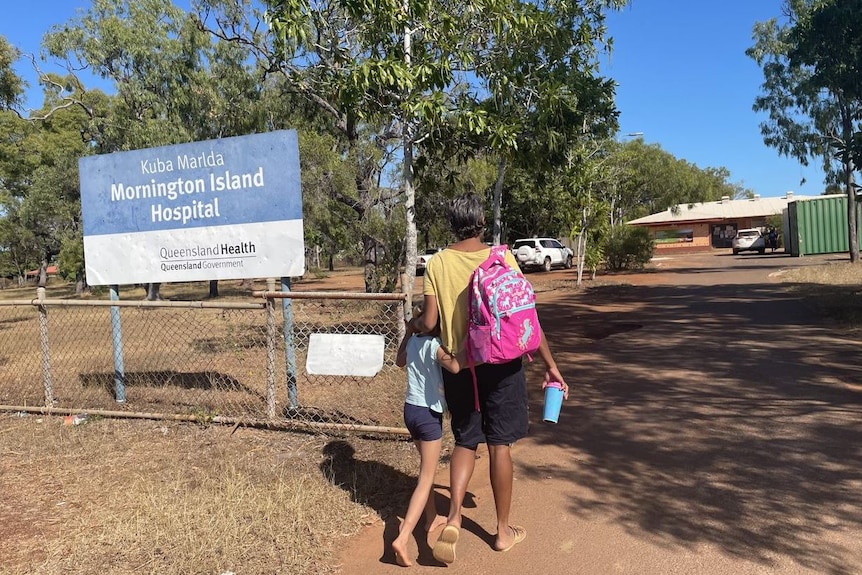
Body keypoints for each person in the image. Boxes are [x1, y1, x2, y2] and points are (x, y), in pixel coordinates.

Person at [410, 192, 568, 564]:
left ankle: (453, 516)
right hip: (503, 364)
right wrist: (550, 365)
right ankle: (502, 531)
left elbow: (430, 323)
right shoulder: (503, 257)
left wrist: (414, 325)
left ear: (451, 224)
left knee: (466, 441)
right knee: (500, 445)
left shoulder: (437, 264)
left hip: (460, 367)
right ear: (482, 223)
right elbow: (525, 318)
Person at [391, 304, 463, 568]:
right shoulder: (434, 346)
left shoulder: (412, 343)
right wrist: (468, 348)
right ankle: (404, 536)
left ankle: (431, 517)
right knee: (426, 477)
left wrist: (409, 332)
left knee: (426, 470)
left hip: (410, 411)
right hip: (428, 415)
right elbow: (455, 367)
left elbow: (399, 361)